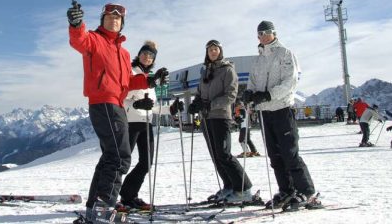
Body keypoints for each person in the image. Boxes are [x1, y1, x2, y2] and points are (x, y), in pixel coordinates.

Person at [67, 2, 169, 222]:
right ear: (102, 19)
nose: (114, 20)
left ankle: (95, 207)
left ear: (122, 23)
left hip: (117, 104)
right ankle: (105, 208)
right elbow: (79, 40)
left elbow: (128, 82)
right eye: (109, 17)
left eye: (118, 18)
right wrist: (76, 23)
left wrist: (149, 79)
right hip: (103, 102)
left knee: (110, 157)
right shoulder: (94, 39)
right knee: (120, 156)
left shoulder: (123, 53)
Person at [244, 20, 319, 209]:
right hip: (265, 113)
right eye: (260, 33)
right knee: (275, 155)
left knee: (289, 153)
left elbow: (290, 82)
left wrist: (268, 94)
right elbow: (253, 82)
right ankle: (286, 189)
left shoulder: (285, 53)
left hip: (282, 109)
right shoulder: (258, 60)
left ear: (274, 33)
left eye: (267, 32)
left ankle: (307, 192)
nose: (264, 35)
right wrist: (250, 93)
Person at [118, 41, 181, 211]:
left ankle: (129, 195)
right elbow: (121, 99)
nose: (147, 57)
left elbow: (152, 106)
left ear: (153, 60)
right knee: (121, 162)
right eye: (145, 53)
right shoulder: (130, 72)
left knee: (146, 162)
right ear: (139, 55)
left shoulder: (152, 79)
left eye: (151, 55)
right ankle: (108, 198)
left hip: (145, 124)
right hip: (129, 123)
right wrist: (136, 105)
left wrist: (171, 109)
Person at [188, 39, 253, 203]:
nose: (213, 51)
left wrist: (210, 104)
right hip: (206, 119)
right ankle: (229, 185)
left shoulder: (228, 70)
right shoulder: (205, 72)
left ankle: (244, 188)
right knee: (216, 155)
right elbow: (199, 93)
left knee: (224, 154)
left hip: (220, 116)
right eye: (210, 49)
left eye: (215, 49)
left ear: (220, 51)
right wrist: (195, 104)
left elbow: (231, 95)